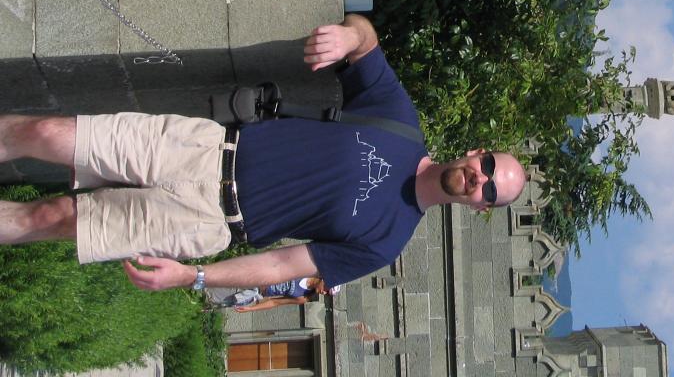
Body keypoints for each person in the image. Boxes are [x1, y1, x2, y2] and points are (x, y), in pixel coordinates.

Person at [0, 15, 526, 293]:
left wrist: (194, 277)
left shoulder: (386, 242)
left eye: (490, 191)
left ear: (480, 207)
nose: (480, 179)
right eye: (487, 166)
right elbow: (367, 39)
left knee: (52, 217)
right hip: (203, 148)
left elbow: (281, 264)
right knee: (45, 131)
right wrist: (349, 36)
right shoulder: (399, 122)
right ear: (476, 151)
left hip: (205, 221)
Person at [208, 275, 340, 312]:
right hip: (253, 277)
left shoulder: (304, 297)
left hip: (255, 293)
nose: (324, 292)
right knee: (214, 283)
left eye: (327, 294)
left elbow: (275, 302)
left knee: (215, 300)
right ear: (325, 279)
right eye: (326, 289)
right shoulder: (307, 270)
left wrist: (251, 309)